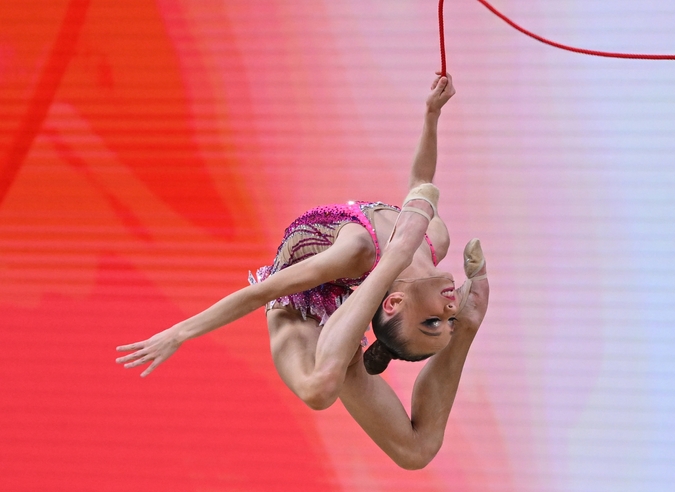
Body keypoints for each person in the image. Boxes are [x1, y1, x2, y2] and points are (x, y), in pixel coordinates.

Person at [116, 73, 489, 469]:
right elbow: (421, 180)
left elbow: (259, 292)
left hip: (333, 299)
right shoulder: (428, 239)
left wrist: (179, 332)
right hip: (309, 300)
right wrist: (432, 114)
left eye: (437, 320)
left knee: (416, 453)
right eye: (450, 320)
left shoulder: (368, 252)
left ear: (395, 302)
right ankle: (393, 275)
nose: (449, 309)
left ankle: (470, 323)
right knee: (319, 389)